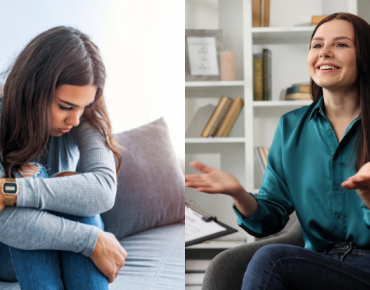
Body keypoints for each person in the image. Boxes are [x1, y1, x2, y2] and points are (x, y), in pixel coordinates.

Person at [185, 12, 370, 289]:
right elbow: (270, 220)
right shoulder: (291, 126)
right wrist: (238, 194)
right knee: (268, 258)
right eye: (317, 45)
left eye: (341, 45)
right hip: (315, 264)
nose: (325, 53)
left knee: (272, 259)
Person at [0, 26, 127, 289]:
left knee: (76, 191)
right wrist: (91, 240)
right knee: (50, 181)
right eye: (65, 107)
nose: (75, 119)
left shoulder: (83, 115)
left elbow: (103, 189)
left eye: (84, 107)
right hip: (10, 251)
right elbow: (5, 222)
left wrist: (13, 191)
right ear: (32, 90)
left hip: (60, 231)